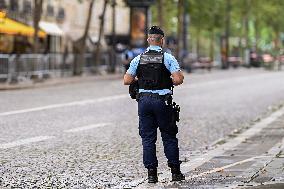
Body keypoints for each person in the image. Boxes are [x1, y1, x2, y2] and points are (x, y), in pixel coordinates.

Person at [123, 26, 185, 183]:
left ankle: (151, 174)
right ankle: (175, 172)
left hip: (144, 102)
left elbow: (127, 80)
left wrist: (141, 80)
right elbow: (178, 79)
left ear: (148, 40)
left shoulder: (138, 58)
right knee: (169, 136)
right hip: (162, 102)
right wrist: (166, 80)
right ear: (162, 40)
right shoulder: (168, 58)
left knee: (148, 138)